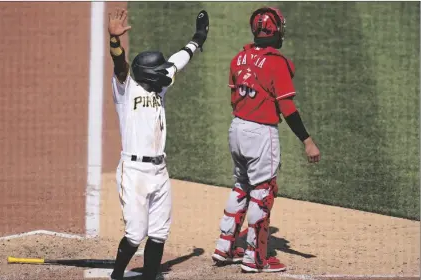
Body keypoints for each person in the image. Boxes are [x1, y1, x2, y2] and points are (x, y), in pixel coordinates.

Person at [211, 6, 321, 273]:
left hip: (236, 128)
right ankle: (256, 258)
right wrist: (307, 140)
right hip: (261, 133)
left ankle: (225, 246)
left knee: (241, 186)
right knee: (263, 192)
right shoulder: (276, 62)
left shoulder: (238, 59)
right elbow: (288, 108)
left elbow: (233, 98)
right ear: (276, 31)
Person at [107, 8, 209, 280]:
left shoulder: (158, 86)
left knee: (160, 232)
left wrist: (197, 39)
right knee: (135, 233)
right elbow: (120, 66)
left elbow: (178, 61)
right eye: (159, 70)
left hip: (159, 170)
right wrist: (114, 42)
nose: (165, 73)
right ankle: (116, 275)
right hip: (134, 171)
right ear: (148, 74)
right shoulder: (125, 89)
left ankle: (149, 277)